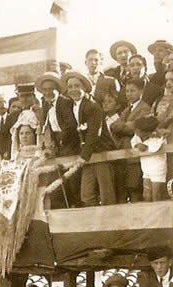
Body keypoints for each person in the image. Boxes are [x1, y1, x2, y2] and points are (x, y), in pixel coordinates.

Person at [60, 71, 117, 207]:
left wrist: (83, 156)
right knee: (86, 195)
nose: (73, 89)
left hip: (100, 152)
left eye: (77, 86)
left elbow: (94, 134)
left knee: (106, 194)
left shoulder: (92, 105)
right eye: (70, 86)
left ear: (84, 87)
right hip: (87, 154)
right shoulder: (73, 106)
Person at [111, 79, 153, 202]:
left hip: (135, 157)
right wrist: (126, 125)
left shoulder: (144, 108)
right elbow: (113, 126)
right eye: (127, 91)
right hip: (123, 155)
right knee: (122, 190)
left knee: (134, 189)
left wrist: (125, 126)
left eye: (132, 91)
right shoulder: (127, 109)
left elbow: (136, 128)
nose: (129, 94)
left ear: (141, 91)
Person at [131, 116, 167, 201]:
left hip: (157, 168)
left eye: (138, 131)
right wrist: (137, 145)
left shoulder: (159, 137)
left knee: (156, 194)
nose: (136, 133)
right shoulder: (138, 136)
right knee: (146, 194)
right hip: (146, 168)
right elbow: (133, 141)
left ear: (145, 131)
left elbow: (154, 148)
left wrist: (145, 146)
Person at [154, 67, 173, 181]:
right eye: (167, 80)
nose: (169, 83)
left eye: (172, 80)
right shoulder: (159, 100)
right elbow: (152, 118)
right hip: (162, 144)